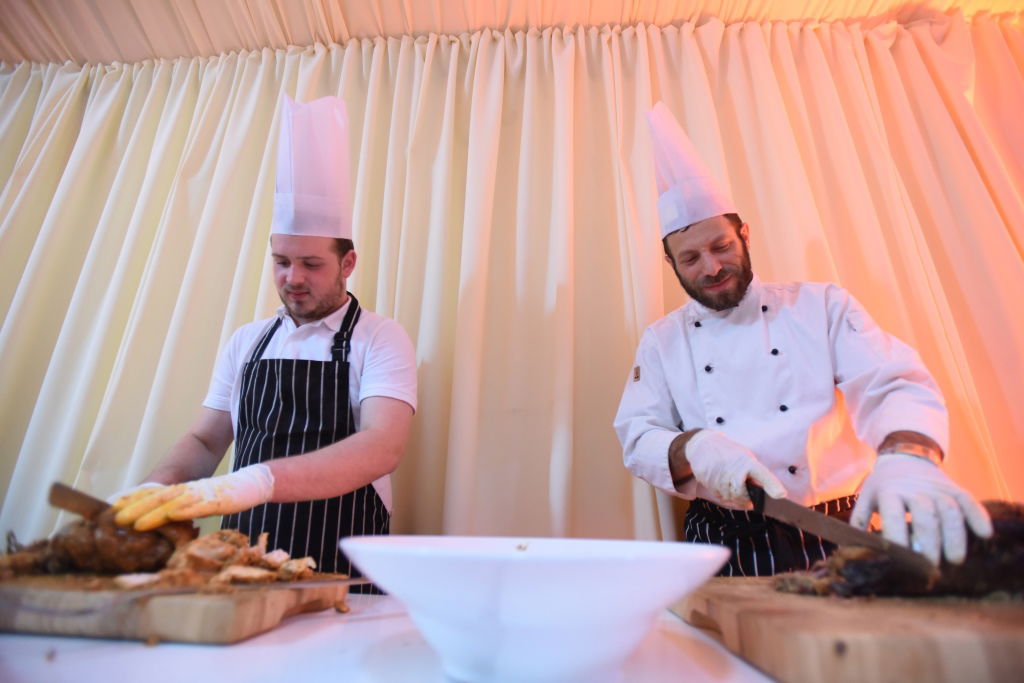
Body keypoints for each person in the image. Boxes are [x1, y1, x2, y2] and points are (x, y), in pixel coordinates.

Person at [613, 102, 991, 577]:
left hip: (836, 530)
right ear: (670, 264)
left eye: (721, 246)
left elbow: (892, 382)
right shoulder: (662, 341)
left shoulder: (821, 307)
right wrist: (693, 448)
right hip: (725, 539)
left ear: (744, 235)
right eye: (690, 258)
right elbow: (638, 435)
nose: (711, 267)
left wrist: (908, 456)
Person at [112, 96, 417, 587]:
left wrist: (260, 480)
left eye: (311, 264)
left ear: (348, 263)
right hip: (242, 562)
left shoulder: (380, 337)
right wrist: (152, 492)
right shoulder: (247, 341)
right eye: (281, 262)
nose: (293, 278)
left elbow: (381, 447)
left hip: (340, 569)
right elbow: (206, 440)